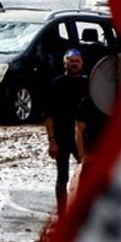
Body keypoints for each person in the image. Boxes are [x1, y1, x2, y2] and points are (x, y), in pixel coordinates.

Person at [44, 49, 88, 216]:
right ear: (65, 63)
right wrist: (52, 140)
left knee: (86, 174)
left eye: (77, 60)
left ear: (82, 63)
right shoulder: (56, 85)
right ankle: (62, 214)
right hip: (62, 137)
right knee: (62, 176)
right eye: (71, 60)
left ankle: (82, 210)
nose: (74, 63)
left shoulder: (89, 84)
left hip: (82, 138)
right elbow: (48, 116)